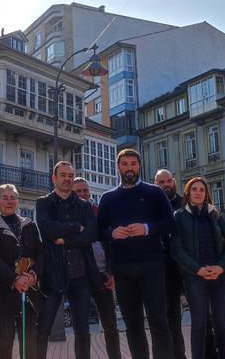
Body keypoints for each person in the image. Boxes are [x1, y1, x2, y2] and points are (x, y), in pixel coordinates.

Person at [97, 149, 175, 359]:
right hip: (123, 269)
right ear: (118, 167)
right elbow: (99, 230)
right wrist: (112, 233)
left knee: (159, 320)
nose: (129, 167)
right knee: (132, 324)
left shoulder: (155, 193)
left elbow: (170, 223)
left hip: (153, 265)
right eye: (125, 164)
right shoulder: (107, 198)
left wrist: (147, 228)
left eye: (133, 163)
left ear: (139, 166)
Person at [36, 162, 101, 359]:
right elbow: (47, 229)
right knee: (43, 328)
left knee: (82, 329)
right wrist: (75, 227)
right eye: (63, 175)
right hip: (53, 274)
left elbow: (91, 234)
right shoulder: (44, 203)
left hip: (80, 275)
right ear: (54, 178)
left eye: (70, 175)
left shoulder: (84, 205)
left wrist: (66, 239)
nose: (67, 179)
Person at [171, 177, 225, 359]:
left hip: (219, 277)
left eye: (202, 190)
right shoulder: (179, 217)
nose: (198, 193)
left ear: (206, 194)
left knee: (221, 324)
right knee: (199, 325)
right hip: (194, 278)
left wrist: (221, 267)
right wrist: (197, 269)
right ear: (187, 193)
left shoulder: (216, 215)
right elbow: (176, 249)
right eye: (194, 189)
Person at [0, 184, 45, 359]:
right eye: (5, 198)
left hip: (29, 292)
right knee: (4, 341)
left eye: (13, 197)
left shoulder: (29, 226)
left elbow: (40, 254)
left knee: (29, 339)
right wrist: (14, 279)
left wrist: (33, 276)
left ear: (17, 201)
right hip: (3, 292)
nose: (9, 201)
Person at [74, 177, 122, 359]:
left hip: (103, 275)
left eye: (85, 190)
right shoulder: (70, 215)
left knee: (110, 326)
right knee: (81, 328)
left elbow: (110, 242)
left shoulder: (99, 212)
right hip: (81, 275)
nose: (83, 194)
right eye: (78, 191)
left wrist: (111, 272)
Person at [154, 169, 187, 359]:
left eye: (168, 181)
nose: (166, 185)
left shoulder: (185, 203)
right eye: (161, 182)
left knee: (204, 317)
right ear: (156, 184)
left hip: (188, 266)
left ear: (174, 181)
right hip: (165, 269)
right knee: (171, 318)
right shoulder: (153, 207)